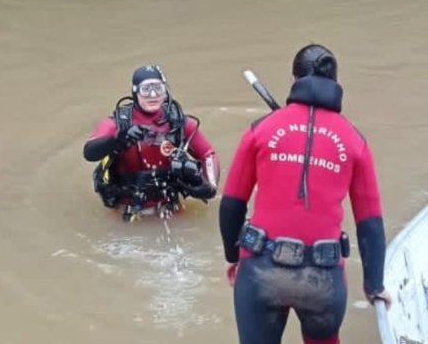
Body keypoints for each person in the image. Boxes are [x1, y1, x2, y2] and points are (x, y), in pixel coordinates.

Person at [218, 44, 391, 344]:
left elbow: (231, 204)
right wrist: (374, 284)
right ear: (336, 83)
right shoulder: (354, 140)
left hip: (261, 269)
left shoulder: (262, 129)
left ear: (293, 79)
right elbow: (370, 222)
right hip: (322, 278)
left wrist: (233, 257)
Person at [84, 65, 220, 221]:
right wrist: (118, 140)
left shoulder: (178, 122)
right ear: (135, 92)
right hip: (126, 212)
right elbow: (89, 152)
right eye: (146, 89)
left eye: (158, 88)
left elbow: (208, 154)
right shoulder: (118, 124)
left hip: (170, 209)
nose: (153, 95)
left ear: (166, 91)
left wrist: (210, 186)